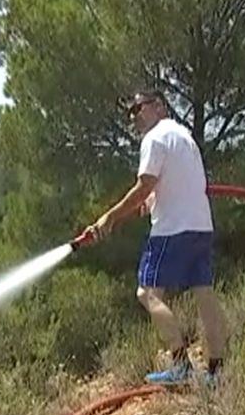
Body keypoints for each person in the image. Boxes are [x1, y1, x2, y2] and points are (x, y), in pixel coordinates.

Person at [83, 88, 229, 386]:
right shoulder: (185, 138)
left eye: (139, 108)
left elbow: (144, 186)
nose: (134, 116)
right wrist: (152, 201)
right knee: (204, 293)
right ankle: (217, 371)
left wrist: (108, 218)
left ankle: (180, 366)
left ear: (160, 106)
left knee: (147, 292)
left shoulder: (154, 138)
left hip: (171, 229)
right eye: (131, 113)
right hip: (201, 225)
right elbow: (175, 183)